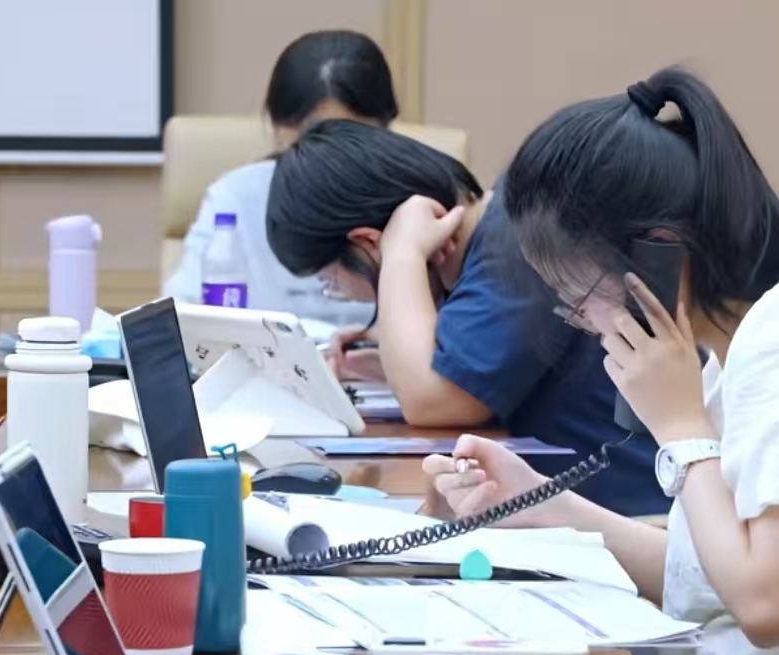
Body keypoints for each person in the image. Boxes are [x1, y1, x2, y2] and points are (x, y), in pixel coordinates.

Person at [423, 68, 779, 655]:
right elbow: (713, 575)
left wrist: (682, 429)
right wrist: (539, 502)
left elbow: (768, 605)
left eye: (578, 295)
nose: (585, 324)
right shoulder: (739, 352)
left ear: (658, 256)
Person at [266, 119, 670, 518]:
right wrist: (385, 360)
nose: (338, 292)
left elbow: (431, 402)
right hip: (589, 513)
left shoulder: (515, 244)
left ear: (368, 242)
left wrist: (402, 255)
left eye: (329, 280)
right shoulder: (501, 229)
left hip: (642, 523)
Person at [163, 30, 395, 324]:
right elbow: (179, 315)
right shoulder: (234, 199)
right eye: (315, 139)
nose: (331, 159)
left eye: (349, 139)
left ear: (385, 130)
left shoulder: (415, 202)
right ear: (278, 130)